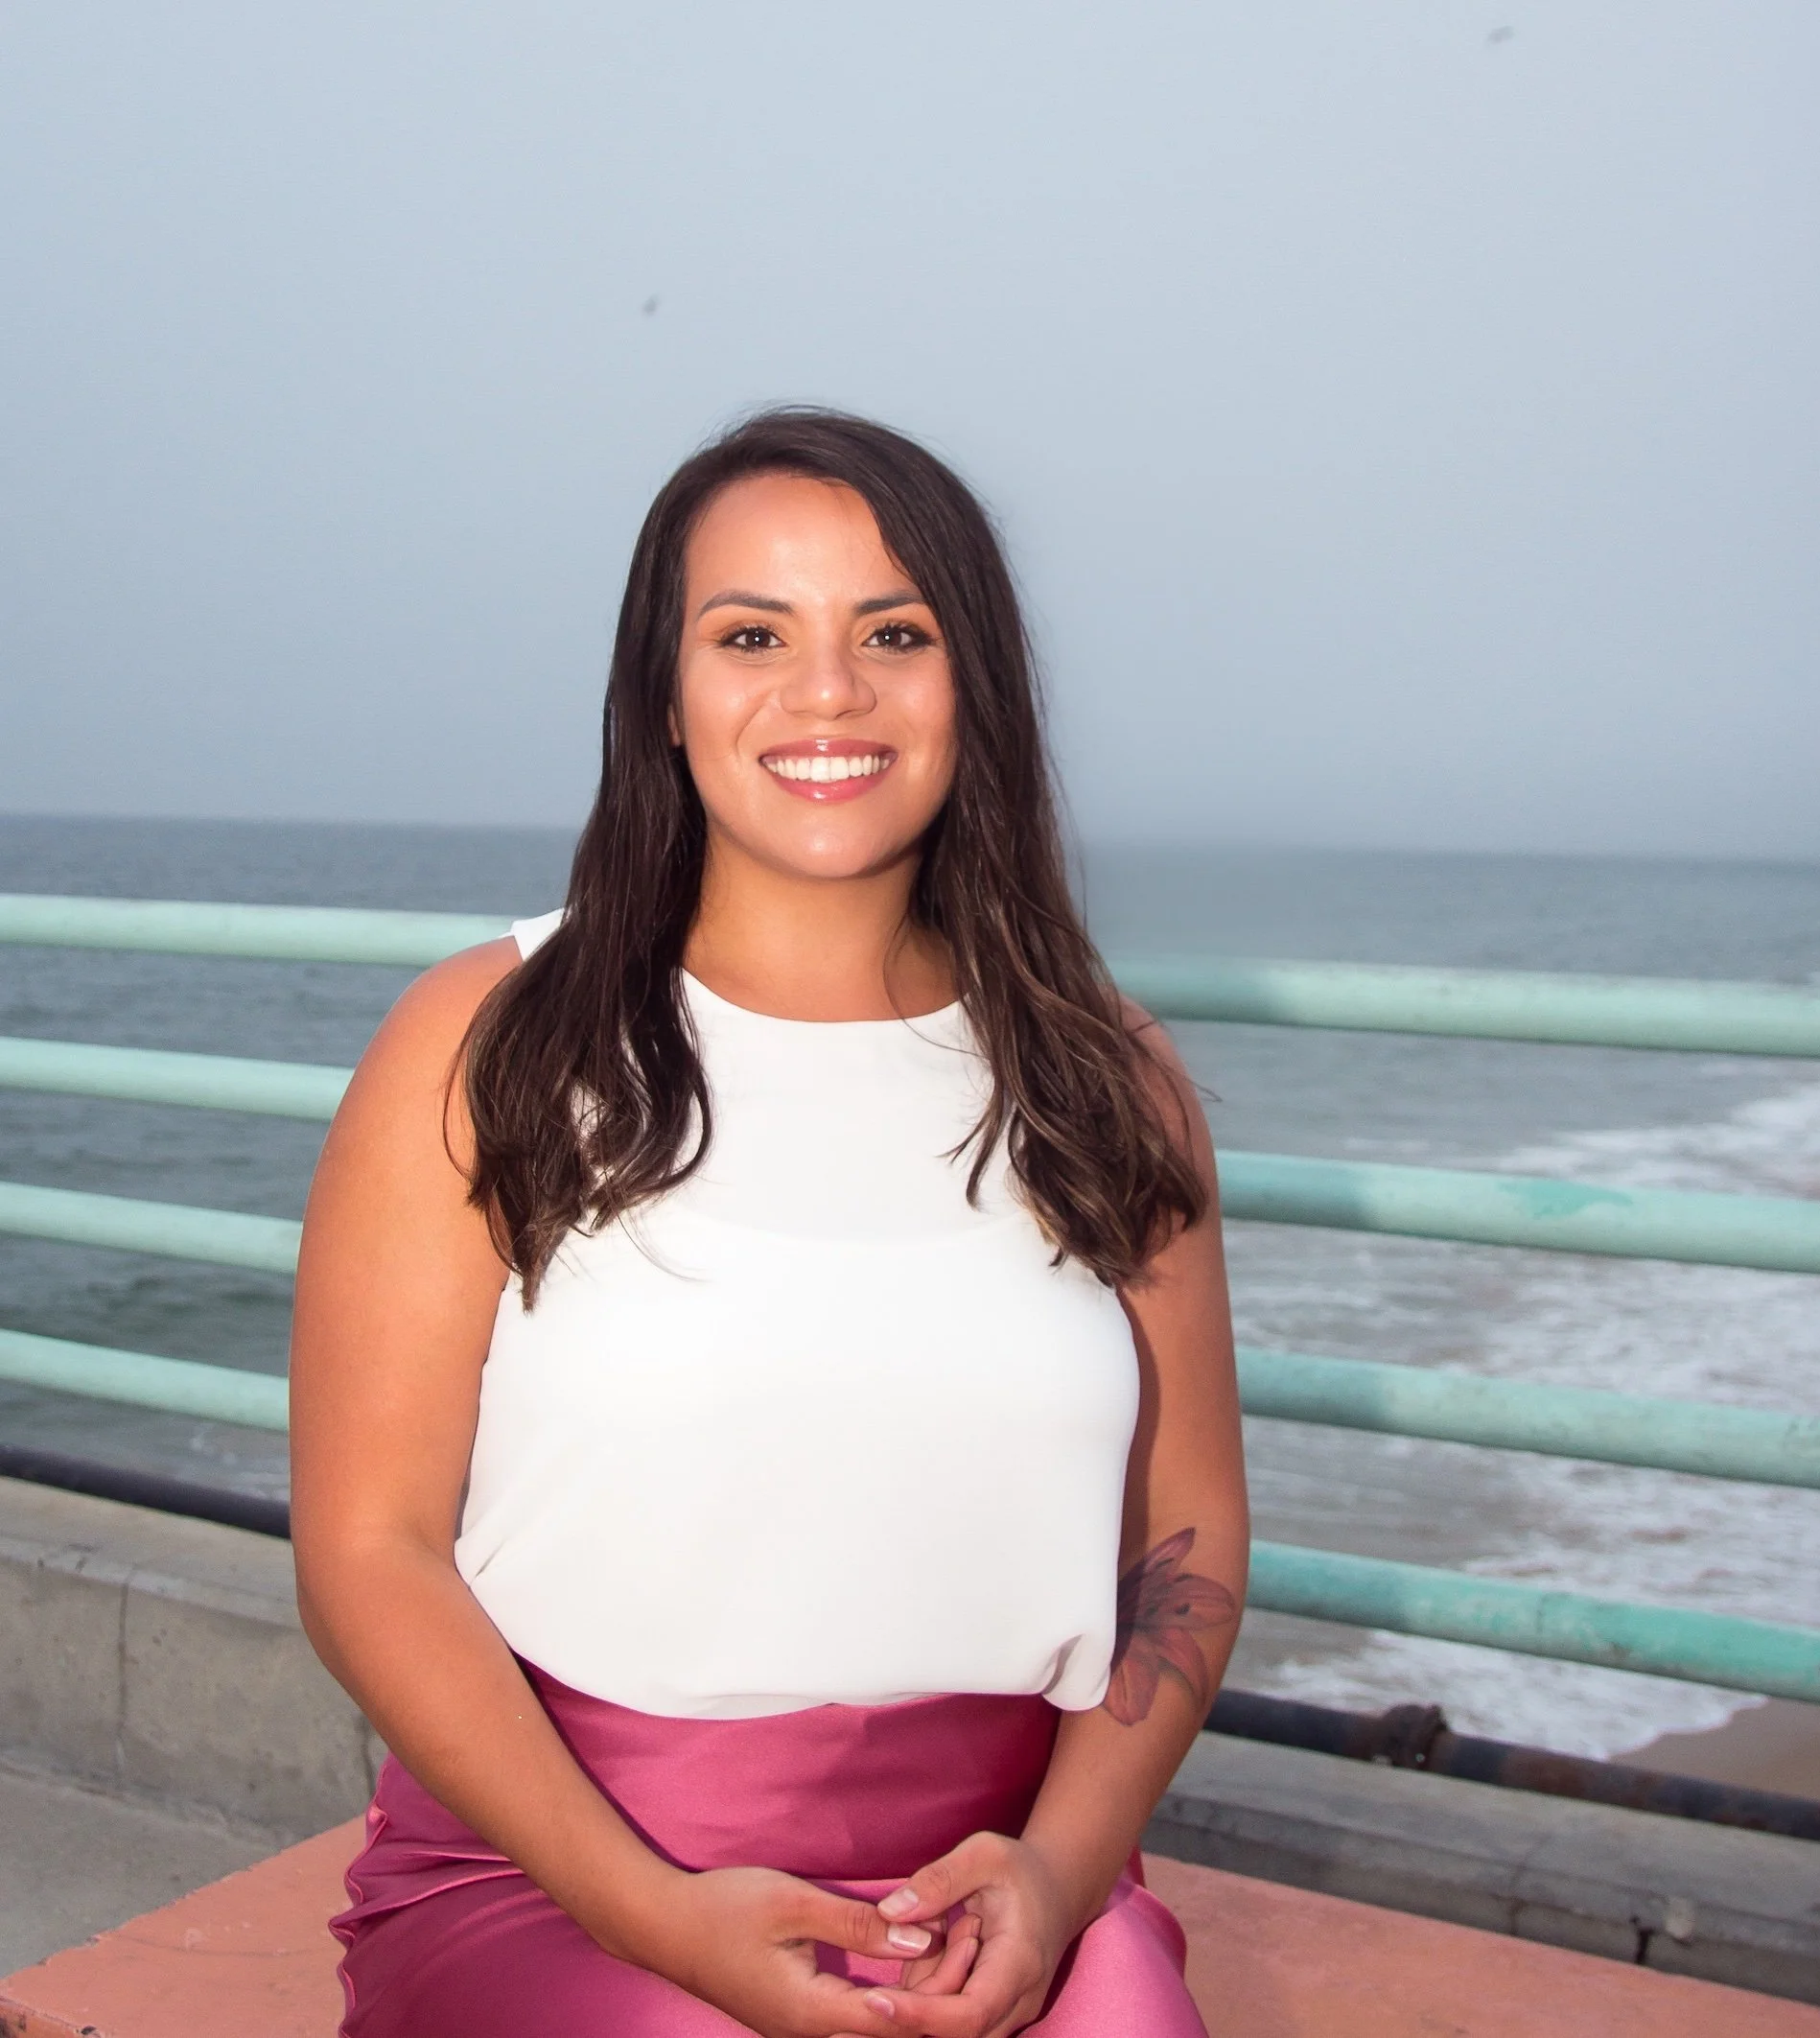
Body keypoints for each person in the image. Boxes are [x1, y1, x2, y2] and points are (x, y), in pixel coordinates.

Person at [291, 409, 1249, 2037]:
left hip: (996, 1882)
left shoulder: (1106, 1074)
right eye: (751, 636)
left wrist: (1061, 1875)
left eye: (895, 634)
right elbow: (366, 1547)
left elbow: (1189, 1535)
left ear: (976, 692)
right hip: (568, 1875)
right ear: (662, 698)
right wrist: (647, 1914)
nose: (828, 694)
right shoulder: (488, 1043)